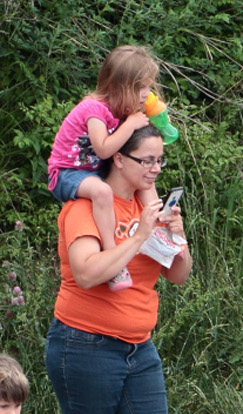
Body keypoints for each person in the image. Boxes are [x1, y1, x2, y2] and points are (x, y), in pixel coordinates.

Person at [43, 125, 229, 414]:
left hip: (139, 346)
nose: (155, 169)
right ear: (118, 159)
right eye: (147, 160)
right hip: (83, 343)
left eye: (160, 161)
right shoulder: (85, 205)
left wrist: (176, 235)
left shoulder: (148, 206)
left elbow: (180, 275)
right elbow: (88, 273)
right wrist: (140, 232)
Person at [45, 45, 161, 293]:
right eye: (141, 88)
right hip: (66, 173)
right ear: (121, 87)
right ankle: (112, 252)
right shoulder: (94, 109)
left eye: (148, 87)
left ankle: (159, 222)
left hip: (90, 171)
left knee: (138, 176)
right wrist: (129, 125)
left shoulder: (122, 111)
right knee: (103, 192)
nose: (147, 94)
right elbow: (103, 150)